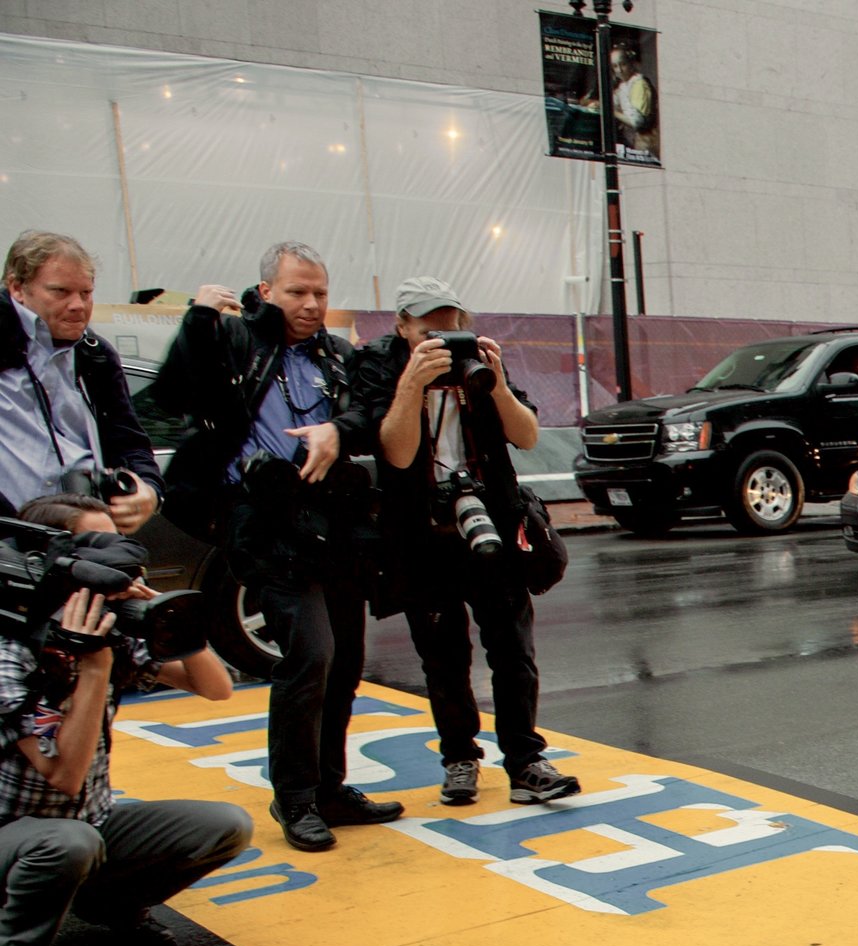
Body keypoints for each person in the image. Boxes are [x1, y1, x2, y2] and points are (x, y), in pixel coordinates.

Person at [152, 240, 401, 854]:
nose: (312, 304)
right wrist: (199, 318)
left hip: (335, 521)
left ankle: (330, 788)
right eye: (297, 292)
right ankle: (294, 797)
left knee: (343, 659)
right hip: (263, 523)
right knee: (310, 655)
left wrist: (336, 431)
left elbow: (373, 414)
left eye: (319, 292)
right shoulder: (235, 341)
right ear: (265, 292)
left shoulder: (337, 356)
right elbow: (174, 390)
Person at [0, 507, 250, 946]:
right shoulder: (11, 651)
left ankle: (109, 904)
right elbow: (64, 778)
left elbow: (217, 688)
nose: (119, 563)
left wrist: (168, 615)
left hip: (88, 824)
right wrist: (93, 669)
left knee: (227, 824)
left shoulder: (107, 631)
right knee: (69, 843)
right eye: (97, 549)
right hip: (16, 834)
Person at [351, 276, 577, 809]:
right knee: (444, 657)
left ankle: (525, 762)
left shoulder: (478, 363)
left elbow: (527, 436)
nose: (447, 340)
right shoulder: (378, 368)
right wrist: (414, 384)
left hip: (492, 522)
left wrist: (495, 384)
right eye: (431, 329)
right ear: (403, 326)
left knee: (513, 650)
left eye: (455, 327)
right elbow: (398, 454)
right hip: (421, 532)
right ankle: (459, 760)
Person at [0, 231, 160, 531]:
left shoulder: (95, 357)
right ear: (17, 288)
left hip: (84, 540)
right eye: (60, 291)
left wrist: (148, 490)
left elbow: (130, 442)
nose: (78, 305)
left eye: (86, 293)